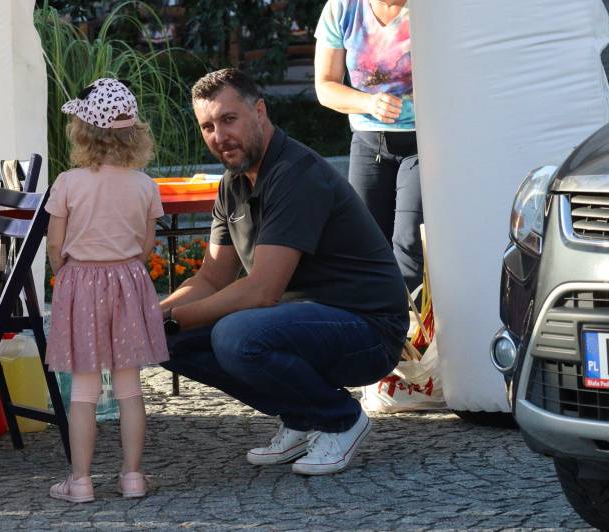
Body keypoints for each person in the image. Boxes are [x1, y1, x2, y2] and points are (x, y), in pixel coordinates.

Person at [160, 68, 408, 475]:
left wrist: (172, 318)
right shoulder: (232, 183)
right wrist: (152, 318)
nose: (219, 136)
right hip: (302, 322)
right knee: (165, 342)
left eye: (228, 119)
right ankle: (302, 415)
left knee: (236, 335)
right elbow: (211, 279)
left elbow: (261, 291)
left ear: (259, 111)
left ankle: (340, 418)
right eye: (207, 126)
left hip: (369, 329)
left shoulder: (296, 174)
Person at [45, 78, 169, 503]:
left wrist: (66, 274)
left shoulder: (68, 183)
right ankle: (132, 476)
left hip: (81, 282)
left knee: (84, 390)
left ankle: (80, 481)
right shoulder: (145, 186)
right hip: (128, 283)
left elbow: (55, 246)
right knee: (130, 387)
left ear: (83, 131)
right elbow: (147, 244)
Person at [314, 0, 423, 293]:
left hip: (422, 142)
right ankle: (371, 316)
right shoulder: (342, 8)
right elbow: (325, 86)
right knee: (364, 243)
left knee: (409, 241)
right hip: (368, 142)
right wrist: (370, 103)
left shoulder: (432, 9)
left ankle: (408, 318)